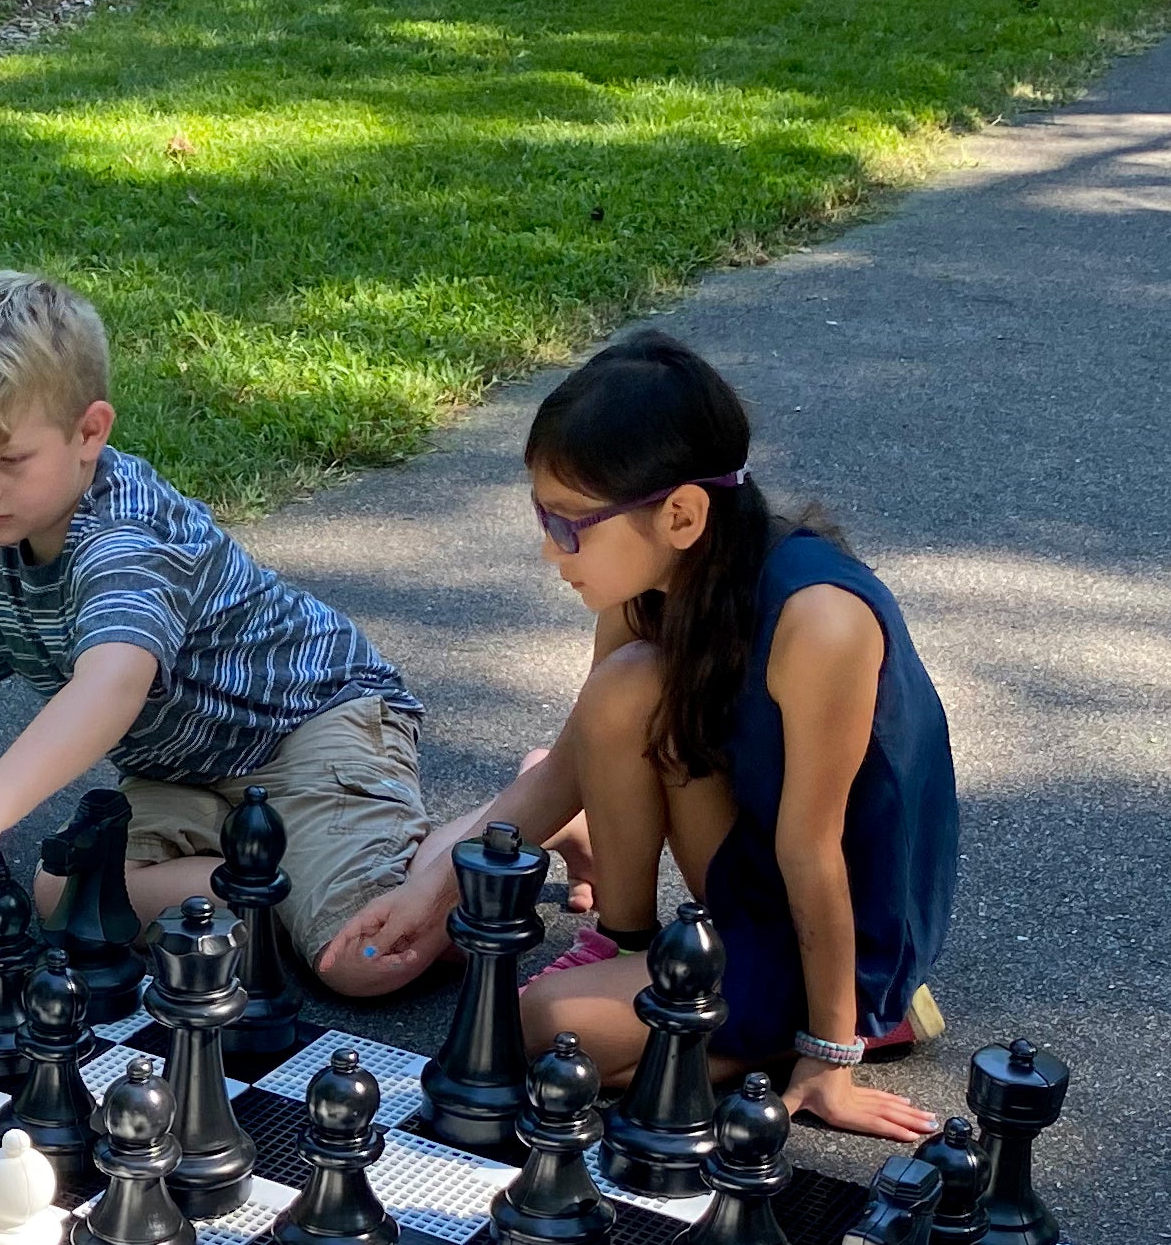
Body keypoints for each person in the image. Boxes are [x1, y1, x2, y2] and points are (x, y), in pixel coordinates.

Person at [319, 331, 956, 1142]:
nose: (551, 549)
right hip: (749, 879)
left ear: (683, 514)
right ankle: (623, 941)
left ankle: (855, 1021)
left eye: (572, 524)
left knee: (544, 1030)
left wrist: (829, 1057)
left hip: (846, 925)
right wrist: (431, 892)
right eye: (542, 516)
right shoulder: (651, 585)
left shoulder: (821, 623)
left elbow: (815, 853)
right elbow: (569, 767)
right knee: (619, 692)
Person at [0, 269, 429, 954]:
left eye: (11, 458)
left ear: (90, 431)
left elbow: (113, 683)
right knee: (70, 897)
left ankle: (494, 838)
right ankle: (284, 884)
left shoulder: (124, 536)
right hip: (185, 769)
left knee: (364, 955)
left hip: (312, 726)